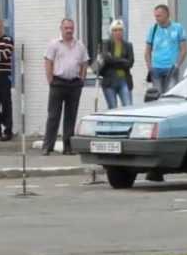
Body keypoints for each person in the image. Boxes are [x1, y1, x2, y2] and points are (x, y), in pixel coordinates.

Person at [42, 18, 89, 156]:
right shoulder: (54, 44)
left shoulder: (80, 45)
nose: (69, 30)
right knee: (53, 116)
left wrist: (82, 79)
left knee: (71, 116)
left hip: (74, 84)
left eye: (71, 28)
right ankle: (47, 146)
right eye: (66, 28)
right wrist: (50, 80)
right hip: (58, 83)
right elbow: (48, 62)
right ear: (61, 29)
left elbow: (84, 63)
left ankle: (68, 147)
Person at [145, 4, 187, 94]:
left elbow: (184, 49)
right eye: (155, 16)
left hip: (171, 68)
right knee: (158, 97)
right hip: (156, 69)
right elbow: (147, 50)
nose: (156, 18)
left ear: (166, 14)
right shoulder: (153, 29)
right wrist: (150, 66)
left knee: (171, 96)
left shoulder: (178, 28)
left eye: (159, 16)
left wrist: (177, 65)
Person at [99, 19, 134, 109]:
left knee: (128, 107)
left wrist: (113, 60)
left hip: (124, 80)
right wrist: (122, 61)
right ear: (111, 32)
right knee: (113, 109)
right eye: (115, 30)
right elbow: (106, 59)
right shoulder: (106, 44)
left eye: (120, 30)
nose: (118, 32)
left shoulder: (128, 45)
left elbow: (130, 63)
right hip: (110, 81)